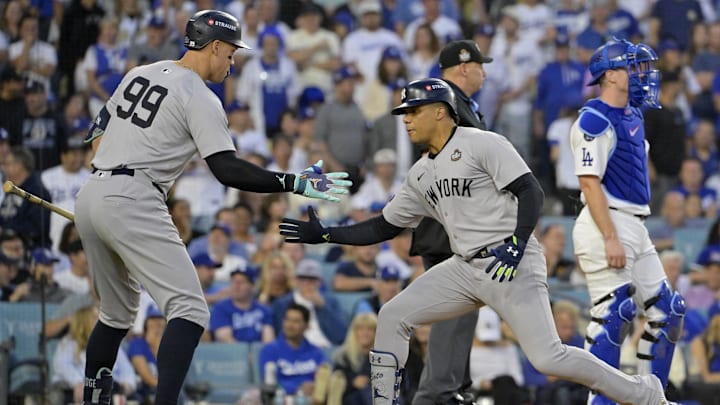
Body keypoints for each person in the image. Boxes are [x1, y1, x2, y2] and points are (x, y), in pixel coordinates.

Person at [279, 78, 676, 405]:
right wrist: (327, 234)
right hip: (464, 267)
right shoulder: (420, 174)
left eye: (414, 111)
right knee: (392, 316)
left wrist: (519, 243)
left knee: (548, 358)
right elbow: (383, 226)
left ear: (441, 111)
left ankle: (644, 394)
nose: (407, 120)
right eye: (404, 114)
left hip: (511, 260)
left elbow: (530, 191)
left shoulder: (483, 143)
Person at [73, 10, 351, 405]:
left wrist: (106, 199)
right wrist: (295, 182)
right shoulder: (199, 95)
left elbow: (96, 138)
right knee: (189, 309)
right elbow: (227, 170)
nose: (233, 62)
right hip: (134, 197)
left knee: (116, 315)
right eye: (231, 53)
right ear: (215, 45)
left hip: (93, 193)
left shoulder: (140, 72)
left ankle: (92, 399)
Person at [570, 38, 685, 404]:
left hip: (635, 224)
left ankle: (653, 396)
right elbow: (589, 182)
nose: (642, 74)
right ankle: (599, 402)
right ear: (609, 75)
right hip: (606, 223)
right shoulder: (593, 119)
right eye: (632, 67)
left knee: (669, 310)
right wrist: (610, 237)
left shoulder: (634, 115)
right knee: (613, 315)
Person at [411, 39, 493, 405]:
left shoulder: (463, 107)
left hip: (462, 231)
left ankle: (455, 389)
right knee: (452, 316)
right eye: (480, 65)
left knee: (465, 313)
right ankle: (435, 397)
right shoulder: (441, 104)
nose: (484, 72)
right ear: (464, 67)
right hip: (448, 231)